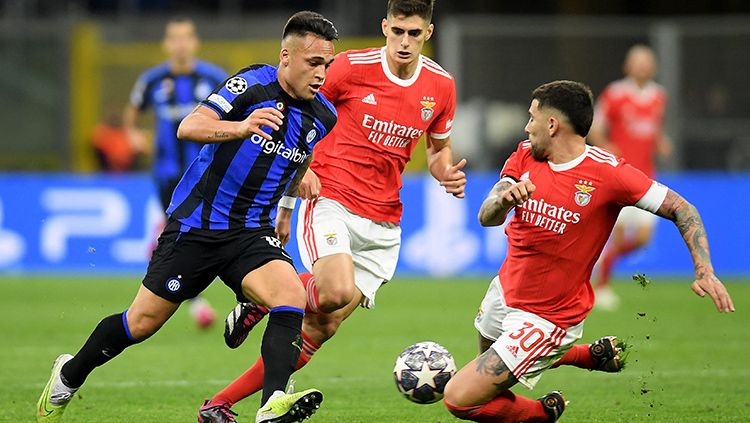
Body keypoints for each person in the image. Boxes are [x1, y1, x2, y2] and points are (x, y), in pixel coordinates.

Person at [37, 11, 339, 423]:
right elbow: (190, 126)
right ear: (286, 57)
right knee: (141, 322)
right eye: (313, 63)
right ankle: (68, 375)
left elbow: (299, 158)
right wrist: (241, 127)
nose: (322, 74)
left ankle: (271, 406)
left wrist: (295, 192)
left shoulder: (324, 115)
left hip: (250, 232)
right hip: (196, 226)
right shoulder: (252, 85)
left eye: (328, 64)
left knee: (291, 298)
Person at [197, 1, 466, 421]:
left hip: (385, 220)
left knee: (323, 324)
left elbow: (437, 149)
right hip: (331, 199)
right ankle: (272, 297)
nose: (404, 42)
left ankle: (218, 405)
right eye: (397, 31)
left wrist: (445, 172)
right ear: (385, 27)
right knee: (336, 291)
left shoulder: (441, 86)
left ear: (428, 34)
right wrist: (290, 188)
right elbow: (297, 111)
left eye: (414, 34)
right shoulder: (350, 68)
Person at [440, 80, 734, 422]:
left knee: (460, 399)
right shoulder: (524, 154)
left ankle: (540, 414)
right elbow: (486, 215)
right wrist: (503, 201)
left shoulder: (608, 174)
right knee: (492, 390)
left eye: (532, 118)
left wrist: (704, 271)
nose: (526, 126)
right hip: (504, 294)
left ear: (552, 125)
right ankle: (584, 356)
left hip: (548, 319)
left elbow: (683, 209)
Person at [125, 17, 229, 327]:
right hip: (167, 173)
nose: (181, 44)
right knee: (184, 233)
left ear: (195, 42)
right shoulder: (153, 80)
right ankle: (190, 299)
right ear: (166, 44)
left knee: (202, 233)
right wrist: (132, 134)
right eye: (175, 38)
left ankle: (191, 298)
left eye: (186, 37)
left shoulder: (214, 77)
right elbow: (132, 113)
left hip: (208, 171)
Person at [588, 45, 672, 310]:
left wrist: (661, 142)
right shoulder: (615, 94)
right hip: (620, 175)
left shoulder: (659, 95)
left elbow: (653, 127)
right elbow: (595, 128)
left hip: (647, 177)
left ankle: (603, 263)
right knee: (617, 233)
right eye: (638, 62)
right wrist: (606, 146)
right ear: (627, 66)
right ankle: (602, 288)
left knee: (643, 238)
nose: (643, 67)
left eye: (647, 62)